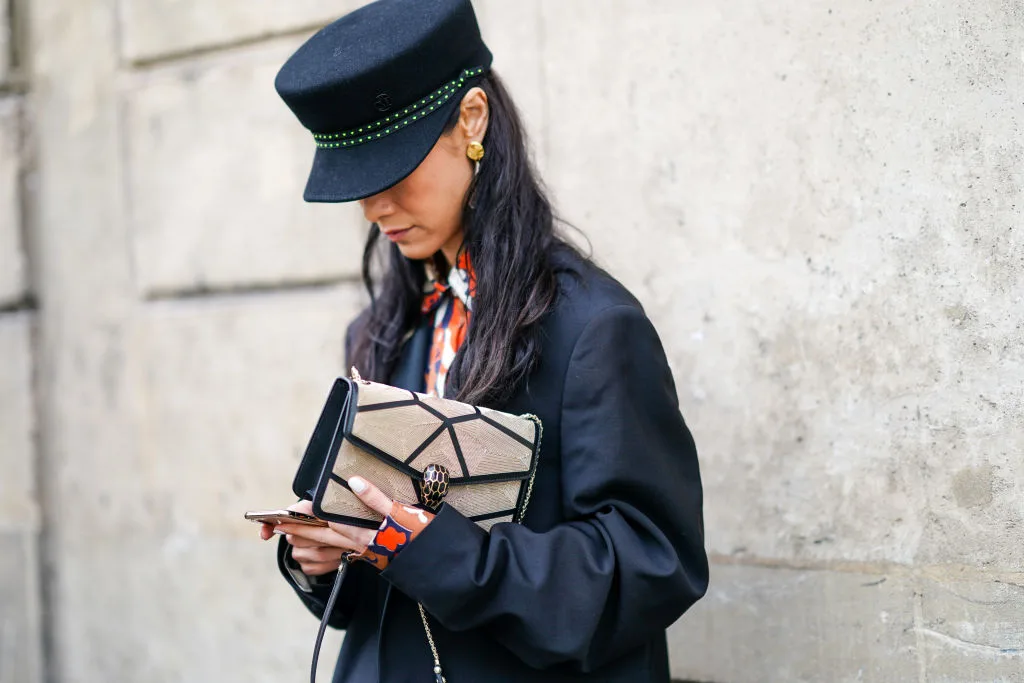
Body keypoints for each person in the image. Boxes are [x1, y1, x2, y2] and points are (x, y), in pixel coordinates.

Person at [258, 0, 709, 681]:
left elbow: (651, 563)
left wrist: (440, 551)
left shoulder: (593, 326)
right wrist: (329, 554)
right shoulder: (386, 325)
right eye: (358, 184)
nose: (376, 207)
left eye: (393, 170)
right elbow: (378, 592)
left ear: (471, 119)